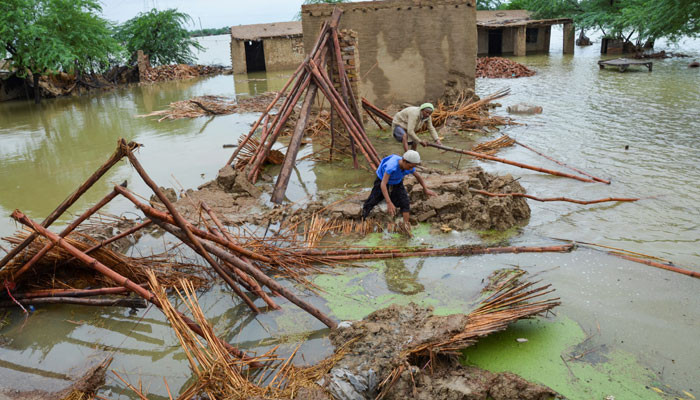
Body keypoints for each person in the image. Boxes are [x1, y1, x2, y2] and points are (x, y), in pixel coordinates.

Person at [361, 150, 436, 229]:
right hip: (382, 179)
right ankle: (363, 218)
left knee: (405, 201)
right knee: (372, 200)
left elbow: (418, 176)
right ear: (404, 161)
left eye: (413, 167)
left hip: (397, 181)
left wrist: (425, 189)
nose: (411, 169)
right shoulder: (391, 166)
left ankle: (406, 225)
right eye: (410, 167)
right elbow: (383, 184)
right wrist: (388, 202)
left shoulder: (409, 166)